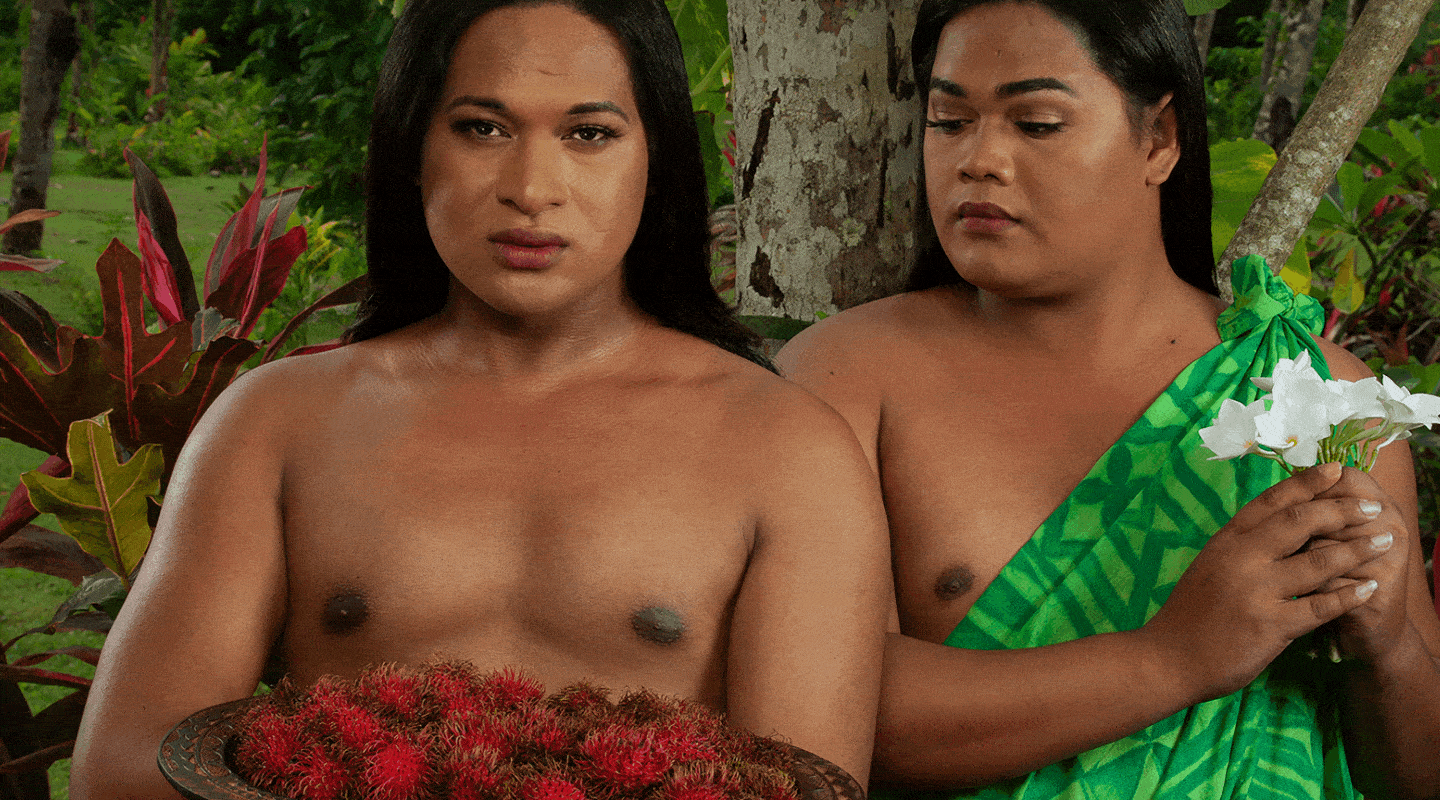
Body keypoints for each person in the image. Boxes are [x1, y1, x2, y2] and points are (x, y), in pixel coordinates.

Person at [69, 1, 891, 796]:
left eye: (589, 134)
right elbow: (121, 773)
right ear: (412, 148)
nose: (532, 188)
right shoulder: (276, 422)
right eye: (483, 128)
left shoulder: (786, 446)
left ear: (658, 159)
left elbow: (795, 786)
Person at [777, 0, 1440, 797]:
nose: (978, 159)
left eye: (1037, 123)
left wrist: (1386, 648)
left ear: (1158, 139)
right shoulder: (847, 377)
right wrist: (1174, 658)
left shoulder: (1318, 397)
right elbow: (812, 719)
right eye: (949, 122)